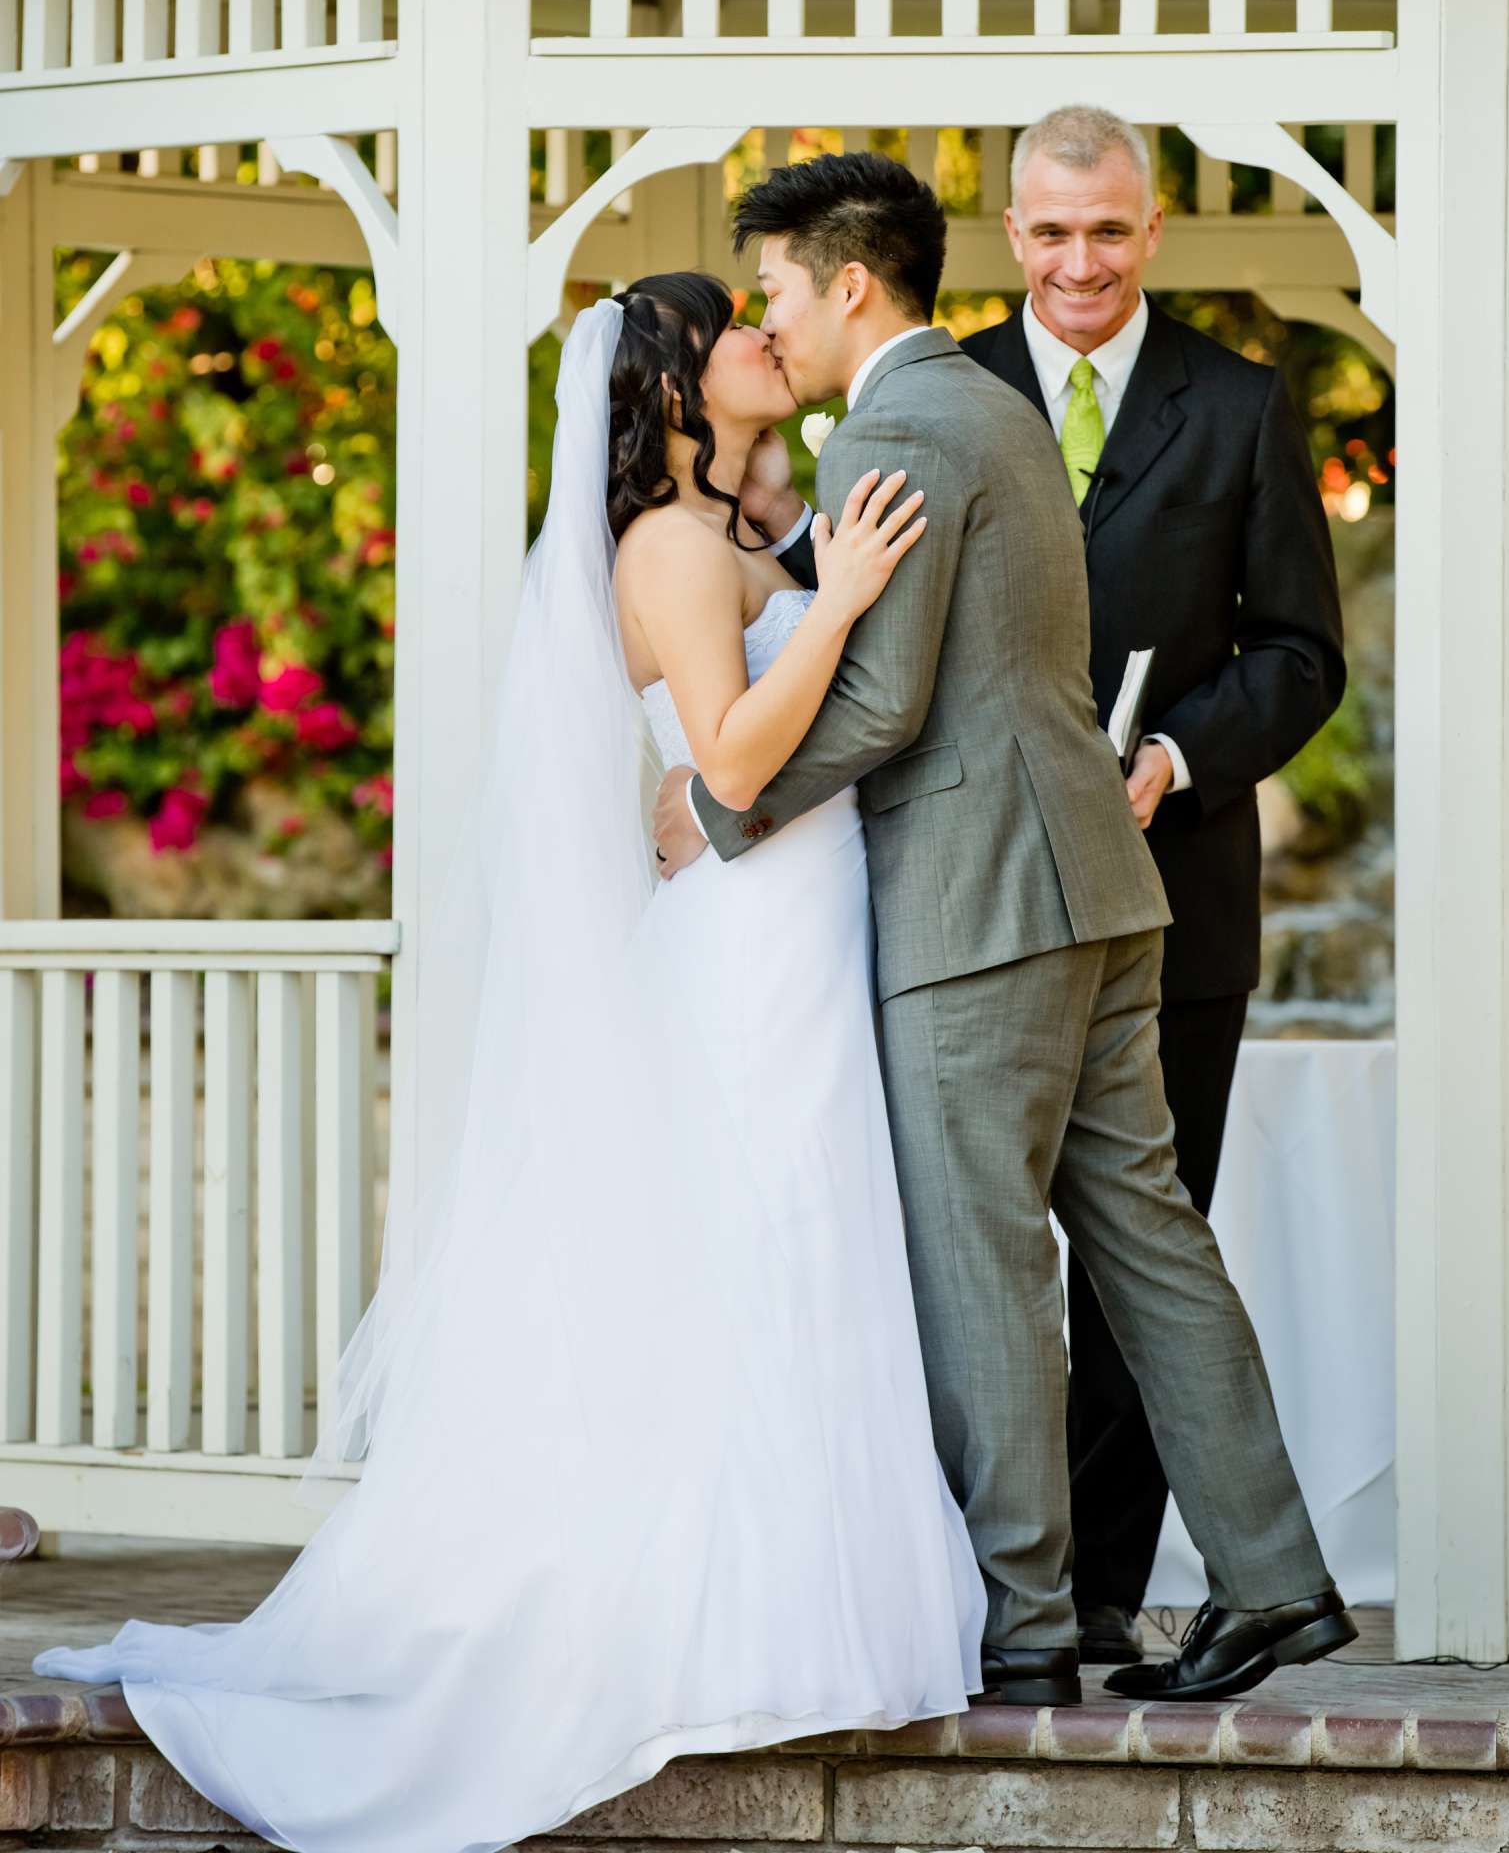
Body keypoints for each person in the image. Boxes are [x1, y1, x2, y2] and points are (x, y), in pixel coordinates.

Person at [33, 278, 986, 1853]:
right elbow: (735, 756)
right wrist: (840, 597)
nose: (763, 335)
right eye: (729, 330)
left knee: (807, 1243)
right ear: (674, 387)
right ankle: (742, 1625)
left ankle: (819, 1611)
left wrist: (821, 571)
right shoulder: (674, 548)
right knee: (777, 1232)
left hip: (800, 924)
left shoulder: (742, 527)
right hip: (750, 940)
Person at [654, 150, 1355, 1707]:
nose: (768, 315)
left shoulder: (896, 426)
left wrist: (717, 810)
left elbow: (889, 702)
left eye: (774, 287)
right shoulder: (1001, 410)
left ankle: (1027, 1628)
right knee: (1152, 1240)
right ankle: (1277, 1579)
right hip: (1103, 887)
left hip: (978, 910)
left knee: (983, 1264)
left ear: (848, 282)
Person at [963, 108, 1345, 1667]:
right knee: (972, 1244)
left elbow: (1302, 657)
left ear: (1153, 231)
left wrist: (1178, 758)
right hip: (974, 901)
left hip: (1179, 899)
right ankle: (989, 1581)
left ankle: (1099, 1592)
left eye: (1107, 231)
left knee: (1140, 1245)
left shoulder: (1243, 407)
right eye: (1050, 234)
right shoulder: (945, 390)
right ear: (1010, 237)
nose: (1079, 262)